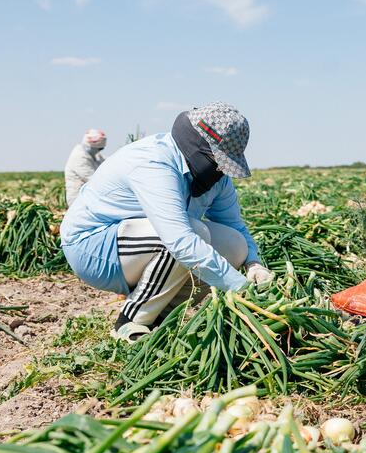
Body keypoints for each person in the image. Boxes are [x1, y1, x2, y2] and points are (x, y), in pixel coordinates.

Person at [60, 102, 274, 342]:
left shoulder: (217, 178)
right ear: (197, 147)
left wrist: (254, 264)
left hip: (140, 246)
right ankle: (130, 322)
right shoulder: (154, 162)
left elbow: (235, 226)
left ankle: (161, 316)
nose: (219, 171)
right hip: (94, 248)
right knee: (192, 236)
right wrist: (242, 289)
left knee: (234, 245)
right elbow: (179, 239)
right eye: (217, 160)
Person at [64, 129, 107, 206]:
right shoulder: (79, 157)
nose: (99, 151)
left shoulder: (94, 155)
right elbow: (92, 179)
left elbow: (107, 163)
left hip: (89, 197)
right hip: (77, 198)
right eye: (99, 149)